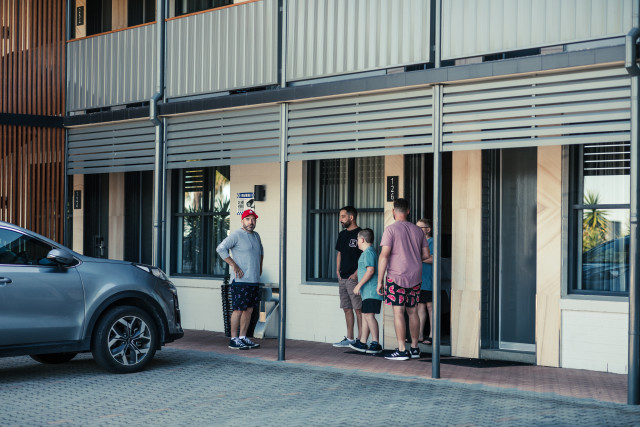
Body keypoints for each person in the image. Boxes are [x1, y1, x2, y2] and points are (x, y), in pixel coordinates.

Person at [377, 198, 431, 361]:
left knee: (398, 312)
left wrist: (380, 281)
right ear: (408, 211)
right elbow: (426, 256)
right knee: (413, 311)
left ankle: (401, 350)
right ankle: (414, 348)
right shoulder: (418, 231)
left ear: (394, 211)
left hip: (396, 276)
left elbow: (384, 256)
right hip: (415, 276)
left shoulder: (390, 230)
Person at [217, 209, 264, 350]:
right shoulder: (236, 235)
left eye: (253, 219)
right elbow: (220, 249)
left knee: (249, 310)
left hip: (253, 280)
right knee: (238, 309)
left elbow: (261, 253)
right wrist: (234, 265)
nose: (251, 222)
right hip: (240, 281)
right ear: (242, 221)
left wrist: (260, 268)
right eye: (248, 219)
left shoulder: (256, 236)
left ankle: (243, 337)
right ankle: (233, 339)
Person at [333, 206, 363, 348]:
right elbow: (339, 253)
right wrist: (337, 271)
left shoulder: (360, 234)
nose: (340, 219)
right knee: (346, 308)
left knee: (358, 309)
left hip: (354, 278)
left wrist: (356, 273)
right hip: (343, 277)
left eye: (343, 216)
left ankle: (361, 339)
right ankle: (350, 338)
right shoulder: (342, 234)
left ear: (351, 217)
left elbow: (364, 256)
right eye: (340, 216)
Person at [349, 228, 383, 354]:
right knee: (365, 316)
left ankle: (375, 343)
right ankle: (362, 342)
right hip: (367, 292)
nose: (357, 241)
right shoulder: (368, 252)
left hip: (371, 291)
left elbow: (370, 271)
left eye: (358, 239)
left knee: (369, 316)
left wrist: (358, 285)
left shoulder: (368, 252)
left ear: (362, 240)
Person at [416, 219, 434, 344]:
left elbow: (433, 259)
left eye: (420, 228)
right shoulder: (417, 243)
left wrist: (416, 257)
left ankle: (432, 335)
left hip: (430, 279)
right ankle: (420, 334)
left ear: (428, 229)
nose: (417, 230)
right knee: (420, 306)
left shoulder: (432, 242)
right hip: (419, 280)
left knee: (430, 307)